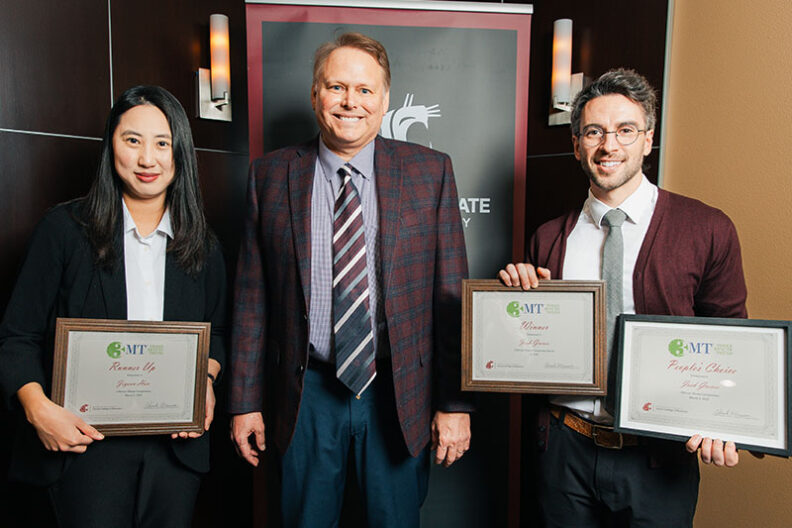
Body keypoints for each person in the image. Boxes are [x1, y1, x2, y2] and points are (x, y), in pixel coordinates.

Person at [229, 32, 472, 527]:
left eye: (364, 90)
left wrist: (454, 404)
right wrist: (244, 402)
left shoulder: (431, 173)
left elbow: (450, 297)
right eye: (336, 87)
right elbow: (252, 300)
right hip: (306, 394)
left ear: (384, 99)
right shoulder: (271, 175)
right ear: (315, 94)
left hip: (397, 391)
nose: (350, 102)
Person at [499, 69, 747, 527]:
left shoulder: (708, 229)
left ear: (647, 141)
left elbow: (732, 338)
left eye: (625, 131)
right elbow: (526, 349)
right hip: (565, 451)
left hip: (658, 457)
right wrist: (514, 302)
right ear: (577, 145)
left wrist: (725, 421)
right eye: (594, 131)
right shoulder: (549, 237)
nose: (608, 145)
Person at [0, 85, 227, 528]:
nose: (148, 159)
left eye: (162, 143)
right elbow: (17, 337)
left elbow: (216, 333)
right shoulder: (63, 231)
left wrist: (206, 380)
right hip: (83, 450)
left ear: (179, 152)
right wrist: (39, 410)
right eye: (132, 141)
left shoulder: (203, 246)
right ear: (111, 146)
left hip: (173, 453)